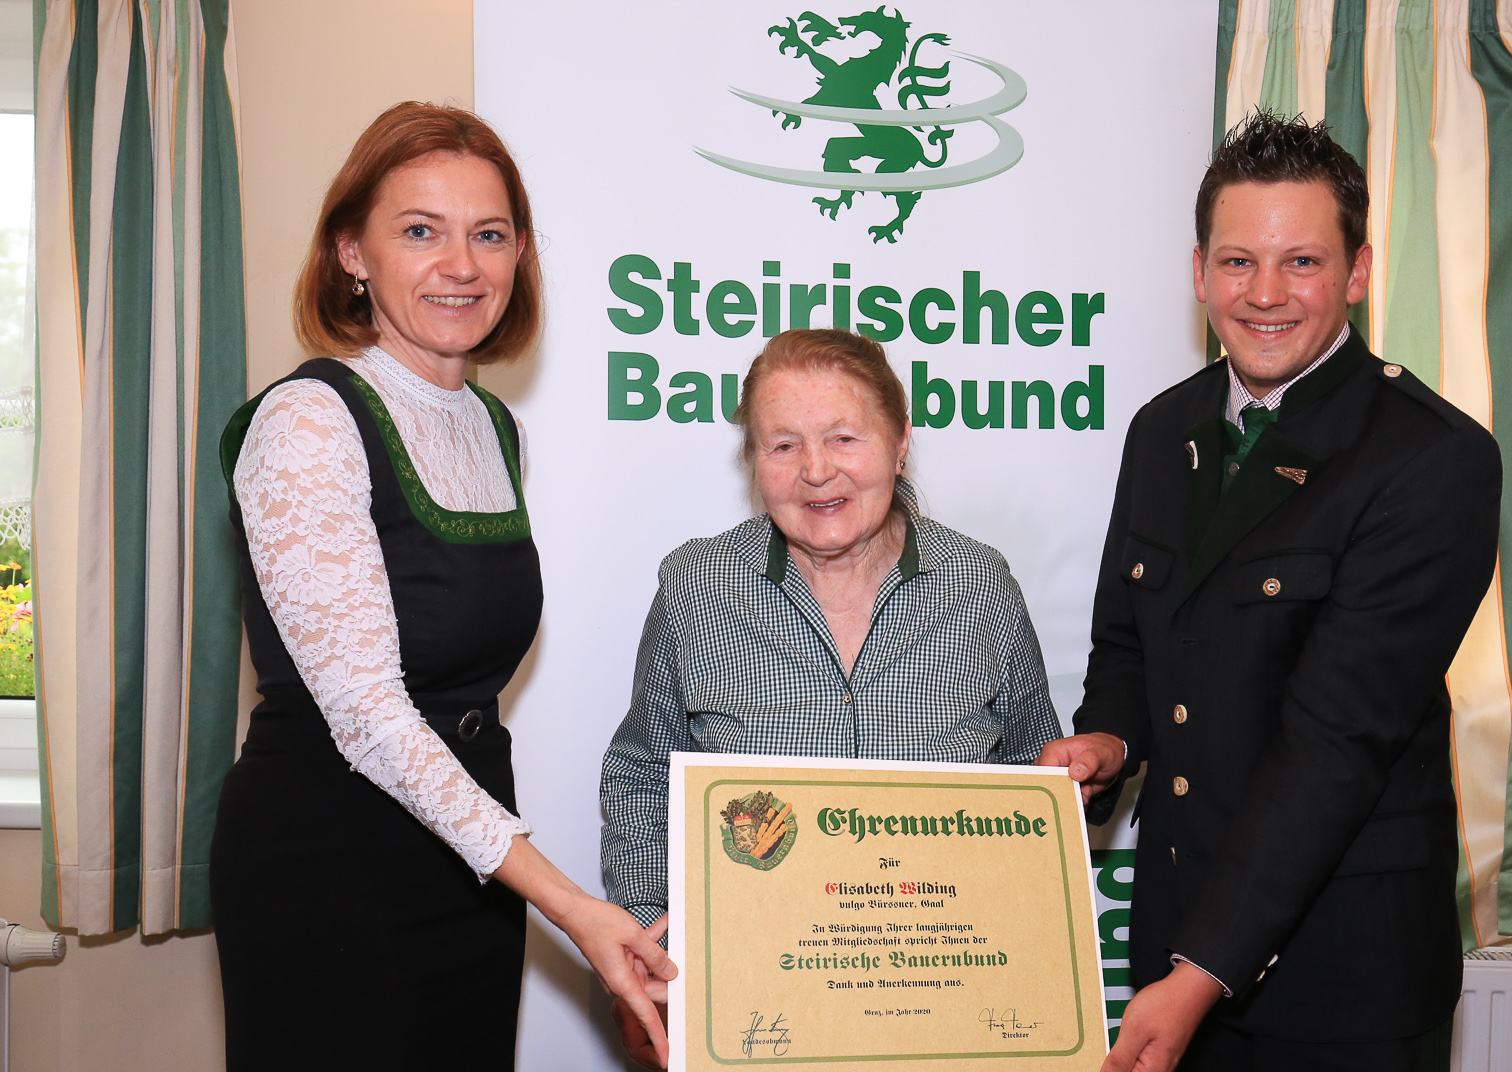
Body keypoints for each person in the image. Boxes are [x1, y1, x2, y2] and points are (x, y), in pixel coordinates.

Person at [209, 102, 673, 1071]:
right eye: (421, 231)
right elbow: (371, 717)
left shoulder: (497, 430)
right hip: (330, 862)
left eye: (489, 234)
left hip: (469, 861)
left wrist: (521, 875)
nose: (462, 265)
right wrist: (574, 907)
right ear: (352, 251)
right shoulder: (307, 422)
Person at [1039, 111, 1501, 1072]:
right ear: (1198, 270)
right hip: (1175, 937)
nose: (1264, 294)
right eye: (1238, 262)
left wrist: (1203, 970)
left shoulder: (1433, 458)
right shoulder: (1162, 430)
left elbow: (1337, 743)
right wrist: (1110, 740)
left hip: (1344, 977)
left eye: (1302, 263)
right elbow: (1130, 644)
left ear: (1358, 272)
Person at [600, 328, 1063, 1067]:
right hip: (754, 1010)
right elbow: (643, 776)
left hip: (945, 1014)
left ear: (900, 441)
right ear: (754, 460)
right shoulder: (696, 588)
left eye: (845, 438)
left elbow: (1036, 779)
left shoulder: (981, 587)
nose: (816, 471)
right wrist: (651, 946)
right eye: (783, 445)